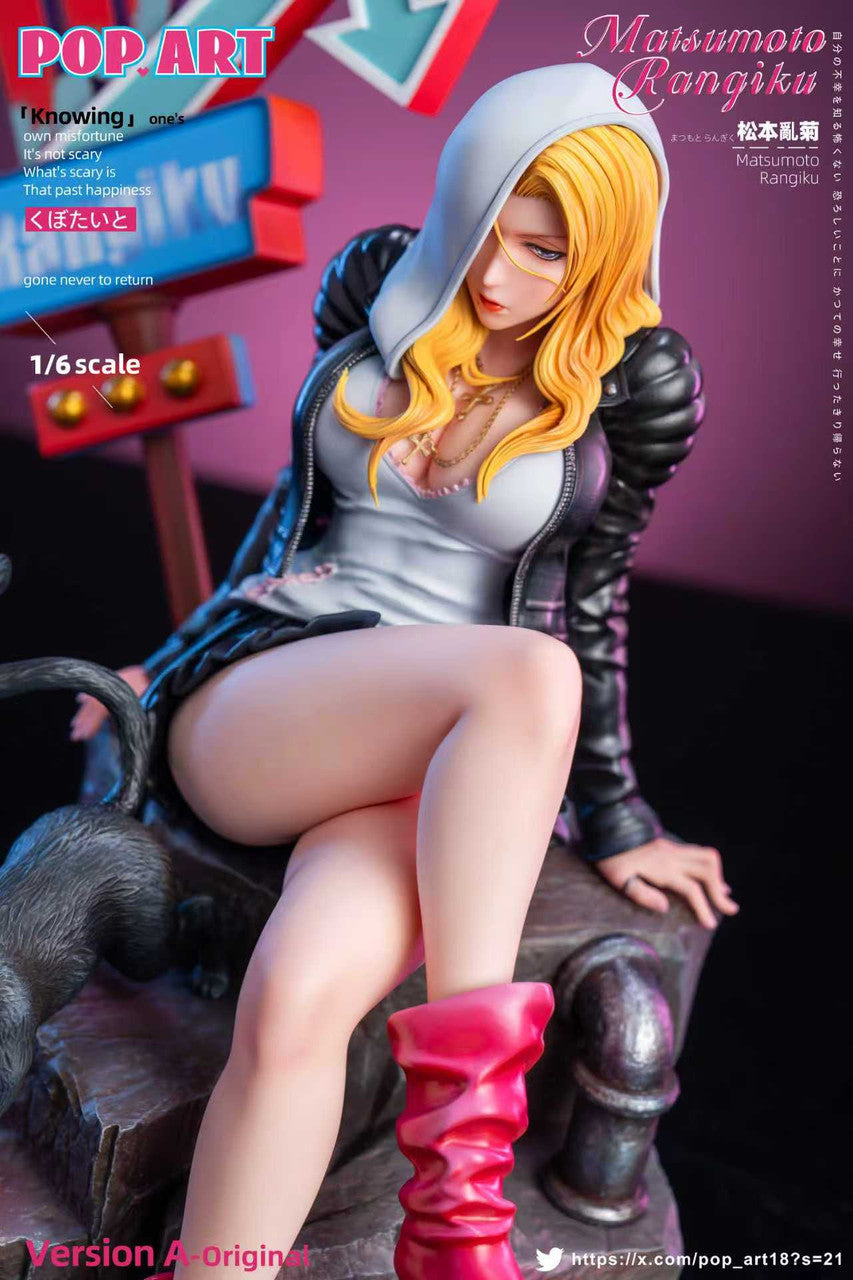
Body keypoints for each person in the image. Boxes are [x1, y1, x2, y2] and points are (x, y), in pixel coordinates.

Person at [72, 63, 738, 1280]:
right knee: (530, 676)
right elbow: (285, 523)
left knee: (296, 1000)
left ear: (600, 258)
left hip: (433, 756)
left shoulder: (618, 390)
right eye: (488, 227)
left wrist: (620, 820)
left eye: (545, 253)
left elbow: (590, 603)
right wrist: (160, 667)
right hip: (274, 691)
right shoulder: (382, 292)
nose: (497, 274)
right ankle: (464, 1200)